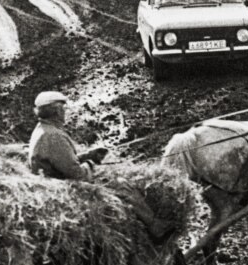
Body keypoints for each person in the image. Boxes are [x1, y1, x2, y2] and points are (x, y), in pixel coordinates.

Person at [28, 91, 172, 244]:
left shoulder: (43, 129)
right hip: (63, 187)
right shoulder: (53, 136)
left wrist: (87, 155)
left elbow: (62, 160)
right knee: (121, 185)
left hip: (55, 182)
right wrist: (90, 164)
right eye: (63, 108)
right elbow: (76, 173)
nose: (65, 112)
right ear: (56, 111)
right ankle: (156, 227)